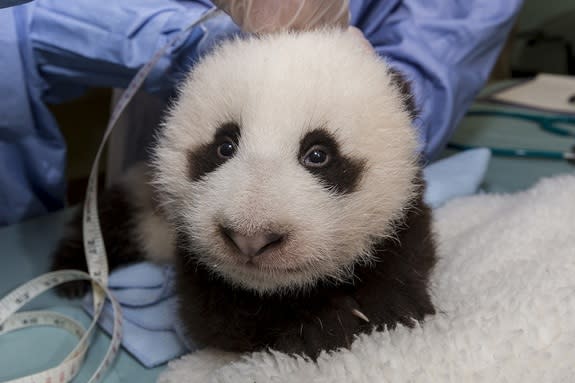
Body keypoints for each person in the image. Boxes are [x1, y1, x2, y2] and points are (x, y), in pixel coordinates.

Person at [0, 0, 523, 226]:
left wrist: (358, 88)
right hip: (156, 192)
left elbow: (416, 105)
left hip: (329, 212)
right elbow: (19, 35)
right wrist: (195, 42)